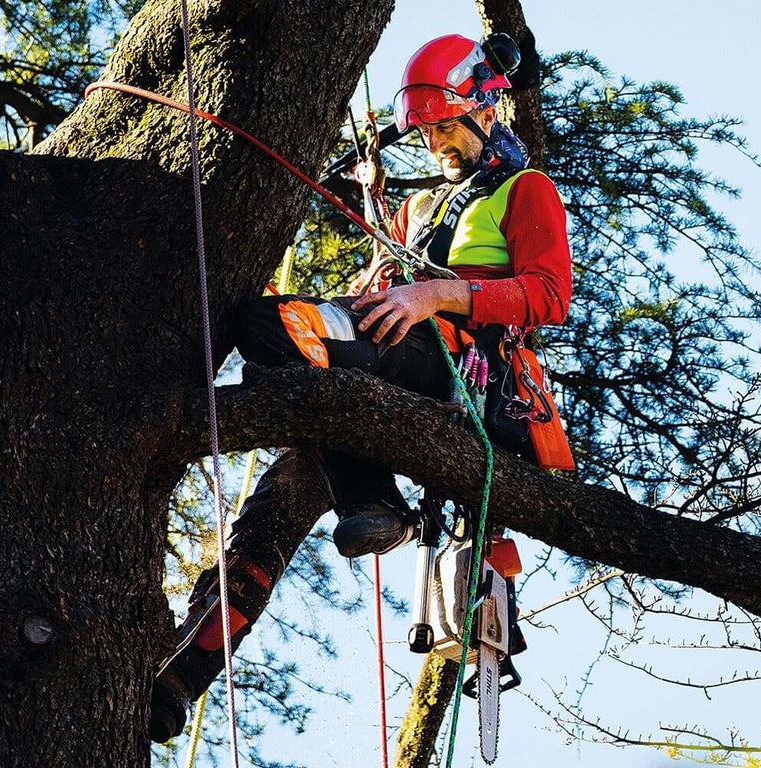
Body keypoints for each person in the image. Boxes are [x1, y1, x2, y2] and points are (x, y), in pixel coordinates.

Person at [148, 33, 574, 743]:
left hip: (464, 374)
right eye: (428, 130)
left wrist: (438, 294)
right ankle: (181, 679)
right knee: (269, 512)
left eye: (446, 125)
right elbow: (368, 305)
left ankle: (372, 495)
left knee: (268, 329)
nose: (435, 141)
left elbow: (549, 294)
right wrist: (365, 283)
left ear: (487, 111)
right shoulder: (416, 211)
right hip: (384, 378)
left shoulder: (522, 191)